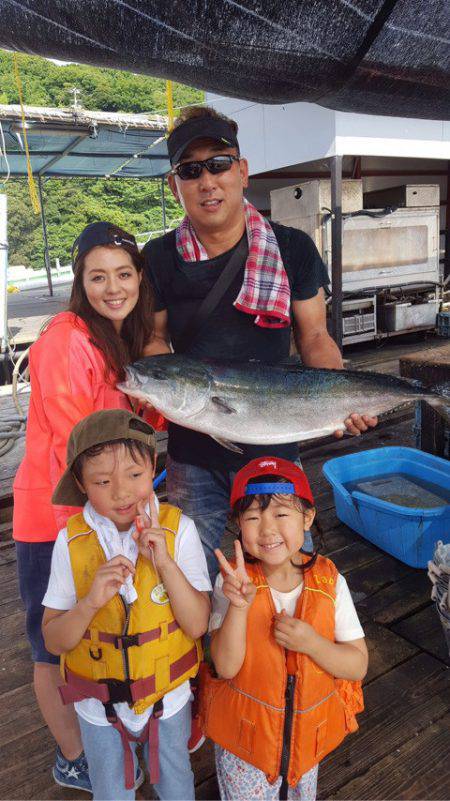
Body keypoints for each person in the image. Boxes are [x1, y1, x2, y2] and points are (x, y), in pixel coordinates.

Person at [142, 105, 378, 586]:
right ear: (175, 185)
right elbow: (154, 338)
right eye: (190, 170)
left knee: (288, 573)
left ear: (242, 171)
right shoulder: (159, 257)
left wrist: (344, 398)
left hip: (276, 446)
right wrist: (157, 385)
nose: (207, 181)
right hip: (191, 452)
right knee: (194, 575)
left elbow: (313, 336)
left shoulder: (291, 248)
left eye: (219, 164)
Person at [13, 222, 154, 793]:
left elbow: (139, 426)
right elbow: (85, 442)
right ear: (80, 283)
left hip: (102, 514)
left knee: (95, 631)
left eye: (123, 274)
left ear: (140, 279)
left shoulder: (117, 341)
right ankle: (75, 757)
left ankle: (106, 738)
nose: (113, 287)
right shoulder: (67, 340)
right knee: (52, 643)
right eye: (98, 276)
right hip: (53, 522)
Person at [42, 409, 211, 801]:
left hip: (167, 702)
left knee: (176, 786)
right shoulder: (70, 543)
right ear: (81, 484)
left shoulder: (179, 530)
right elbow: (54, 641)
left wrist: (164, 562)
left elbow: (198, 624)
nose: (121, 492)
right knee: (111, 792)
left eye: (135, 476)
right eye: (102, 481)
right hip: (97, 709)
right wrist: (88, 604)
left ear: (153, 466)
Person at [202, 456, 368, 800]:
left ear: (307, 517)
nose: (267, 529)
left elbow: (357, 665)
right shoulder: (231, 582)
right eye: (252, 517)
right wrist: (238, 607)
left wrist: (311, 643)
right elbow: (226, 667)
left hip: (305, 749)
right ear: (237, 523)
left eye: (281, 514)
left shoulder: (330, 581)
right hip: (245, 750)